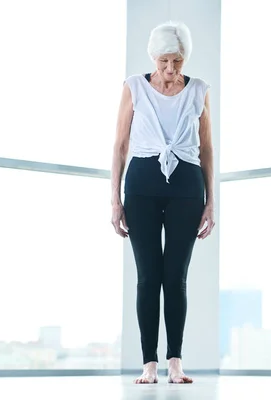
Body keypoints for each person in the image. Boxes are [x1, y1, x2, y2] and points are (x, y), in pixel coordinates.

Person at [110, 21, 215, 384]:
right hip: (140, 186)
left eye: (178, 62)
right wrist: (114, 200)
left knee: (176, 277)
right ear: (154, 58)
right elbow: (120, 146)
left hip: (187, 186)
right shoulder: (134, 87)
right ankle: (148, 364)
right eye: (165, 62)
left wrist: (211, 202)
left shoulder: (199, 89)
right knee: (148, 277)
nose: (171, 70)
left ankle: (175, 361)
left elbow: (207, 150)